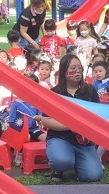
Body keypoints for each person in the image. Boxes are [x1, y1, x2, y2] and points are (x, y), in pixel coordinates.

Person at [38, 54, 104, 183]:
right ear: (64, 71)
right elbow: (46, 120)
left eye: (80, 67)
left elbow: (98, 116)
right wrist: (73, 125)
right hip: (60, 138)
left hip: (84, 142)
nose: (77, 71)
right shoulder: (55, 92)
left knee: (93, 176)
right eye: (73, 68)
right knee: (61, 161)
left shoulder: (89, 90)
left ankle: (78, 163)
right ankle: (59, 168)